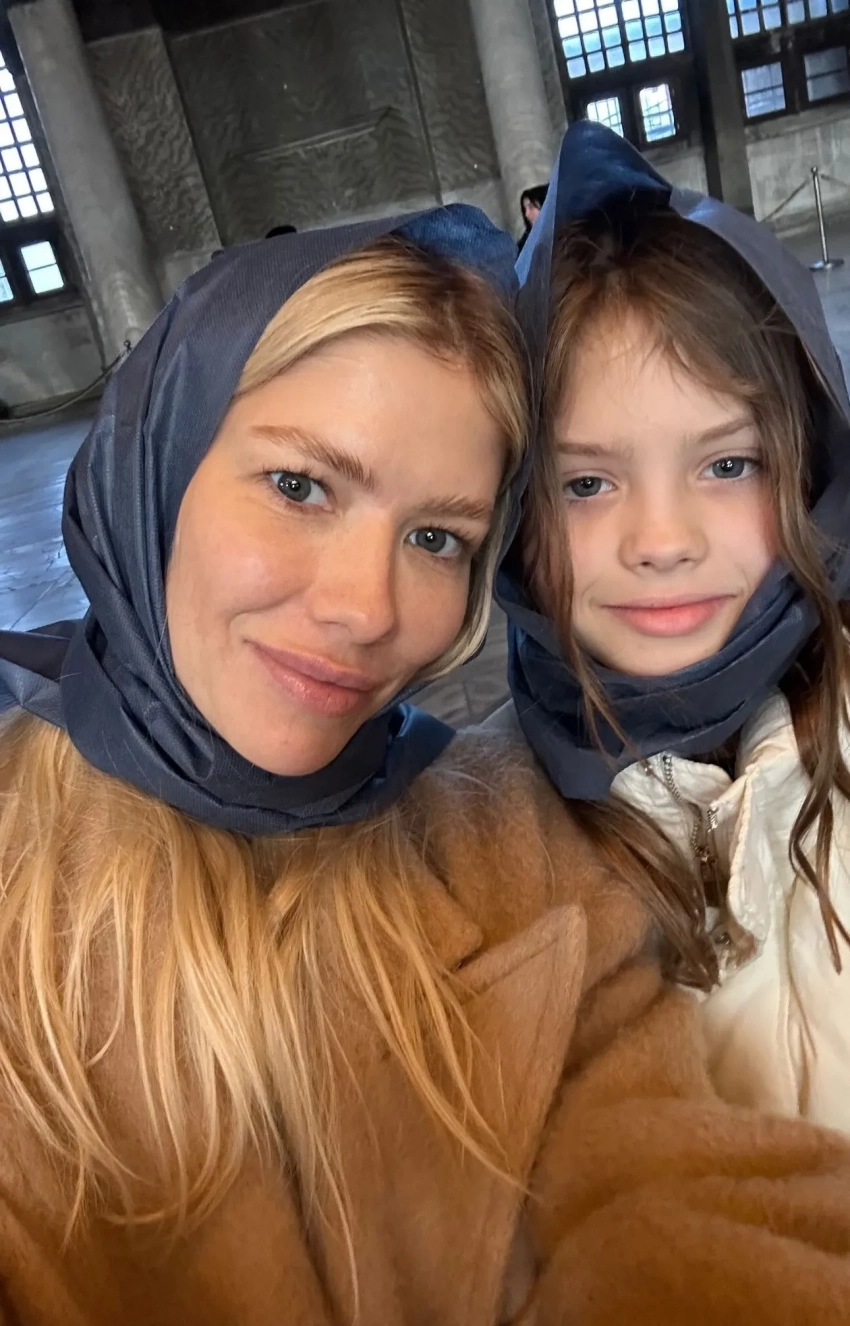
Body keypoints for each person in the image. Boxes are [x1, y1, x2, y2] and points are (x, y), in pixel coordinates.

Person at [1, 201, 850, 1326]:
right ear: (157, 458)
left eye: (437, 537)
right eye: (299, 486)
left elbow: (660, 1191)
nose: (366, 609)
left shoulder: (501, 836)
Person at [502, 119, 850, 1135]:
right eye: (585, 482)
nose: (661, 541)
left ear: (806, 470)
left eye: (727, 464)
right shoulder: (471, 851)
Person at [517, 184, 548, 254]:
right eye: (524, 209)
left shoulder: (564, 235)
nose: (526, 214)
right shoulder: (524, 244)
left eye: (531, 207)